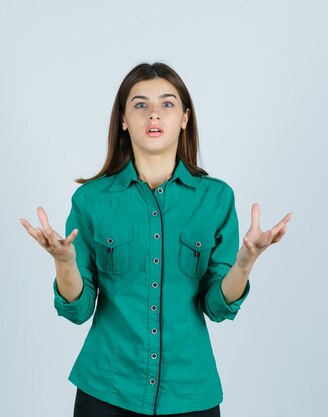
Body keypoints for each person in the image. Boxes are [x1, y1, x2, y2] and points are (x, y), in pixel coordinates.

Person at [20, 62, 292, 417]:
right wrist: (64, 262)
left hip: (190, 393)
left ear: (184, 118)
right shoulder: (91, 201)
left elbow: (217, 306)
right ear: (123, 120)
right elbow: (78, 308)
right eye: (140, 104)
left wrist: (245, 262)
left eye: (167, 103)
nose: (153, 114)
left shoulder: (215, 199)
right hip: (107, 390)